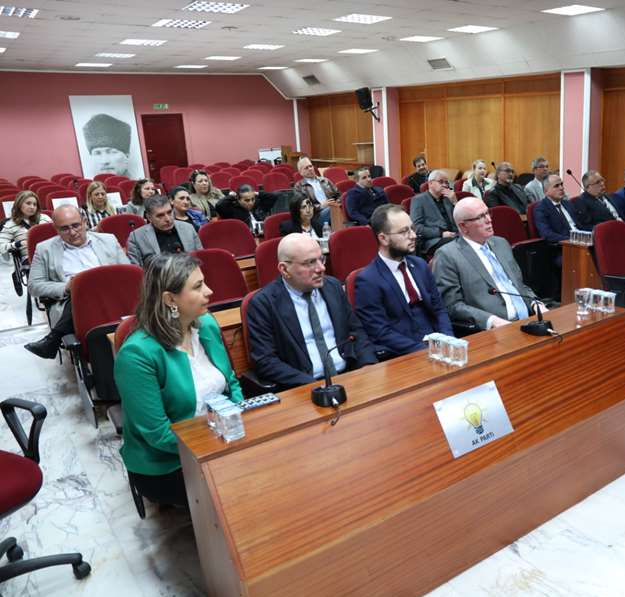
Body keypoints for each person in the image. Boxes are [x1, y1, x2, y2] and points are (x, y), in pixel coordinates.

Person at [115, 253, 243, 508]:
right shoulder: (137, 354)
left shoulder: (206, 324)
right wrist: (219, 441)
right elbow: (158, 434)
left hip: (223, 436)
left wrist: (238, 420)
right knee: (244, 489)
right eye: (198, 286)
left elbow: (232, 383)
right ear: (170, 299)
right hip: (169, 462)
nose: (209, 291)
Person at [245, 234, 377, 389]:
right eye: (310, 263)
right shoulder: (263, 304)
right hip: (303, 387)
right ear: (284, 269)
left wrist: (368, 366)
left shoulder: (333, 287)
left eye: (321, 259)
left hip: (351, 377)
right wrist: (315, 386)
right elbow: (266, 361)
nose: (321, 268)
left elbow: (357, 333)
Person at [24, 205, 129, 359]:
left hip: (112, 295)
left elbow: (128, 272)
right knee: (83, 290)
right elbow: (34, 286)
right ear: (56, 229)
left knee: (90, 286)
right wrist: (66, 287)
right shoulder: (44, 249)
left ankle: (54, 337)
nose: (72, 232)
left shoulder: (108, 240)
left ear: (85, 222)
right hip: (72, 300)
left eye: (76, 226)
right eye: (64, 229)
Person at [353, 204, 453, 356]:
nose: (413, 235)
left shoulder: (420, 265)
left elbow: (439, 309)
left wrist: (448, 339)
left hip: (439, 344)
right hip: (406, 353)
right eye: (404, 231)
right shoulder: (368, 280)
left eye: (412, 228)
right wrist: (424, 351)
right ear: (383, 238)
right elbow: (380, 332)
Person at [431, 197, 544, 330]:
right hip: (494, 329)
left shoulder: (501, 243)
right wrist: (491, 320)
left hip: (529, 319)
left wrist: (536, 304)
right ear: (463, 226)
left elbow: (518, 284)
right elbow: (452, 305)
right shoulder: (448, 255)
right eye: (480, 217)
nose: (489, 220)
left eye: (487, 213)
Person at [127, 194, 202, 266]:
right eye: (160, 215)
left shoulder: (188, 228)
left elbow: (201, 258)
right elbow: (137, 269)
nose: (168, 219)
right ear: (149, 217)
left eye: (169, 212)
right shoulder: (136, 237)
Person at [410, 170, 458, 259]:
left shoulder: (448, 198)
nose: (445, 185)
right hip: (433, 240)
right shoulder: (419, 200)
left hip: (454, 235)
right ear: (430, 183)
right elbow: (416, 227)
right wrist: (441, 233)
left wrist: (455, 202)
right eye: (441, 182)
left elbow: (460, 219)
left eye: (446, 182)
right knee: (456, 243)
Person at [0, 190, 52, 262]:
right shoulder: (10, 224)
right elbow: (1, 246)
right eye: (28, 203)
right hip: (31, 261)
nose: (32, 207)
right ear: (19, 204)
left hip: (51, 256)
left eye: (35, 204)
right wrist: (19, 244)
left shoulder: (45, 218)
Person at [293, 157, 339, 226]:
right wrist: (321, 206)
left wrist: (337, 202)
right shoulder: (299, 186)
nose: (310, 169)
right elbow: (303, 207)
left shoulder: (325, 180)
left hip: (333, 207)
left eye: (310, 166)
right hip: (316, 214)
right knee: (333, 209)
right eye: (306, 168)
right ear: (301, 172)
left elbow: (338, 194)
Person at [533, 174, 578, 244]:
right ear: (546, 191)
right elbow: (547, 234)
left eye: (561, 184)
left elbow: (580, 225)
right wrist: (572, 239)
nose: (561, 188)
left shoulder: (567, 204)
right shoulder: (541, 209)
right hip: (564, 244)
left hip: (581, 239)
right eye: (556, 186)